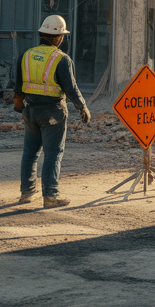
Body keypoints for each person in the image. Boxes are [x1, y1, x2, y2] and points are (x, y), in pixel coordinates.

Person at [13, 14, 90, 207]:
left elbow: (18, 84)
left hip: (30, 110)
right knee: (53, 153)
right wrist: (82, 107)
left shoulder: (27, 55)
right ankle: (50, 196)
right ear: (59, 38)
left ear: (42, 34)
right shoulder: (61, 59)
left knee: (30, 153)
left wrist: (19, 103)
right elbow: (71, 89)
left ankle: (26, 193)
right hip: (53, 112)